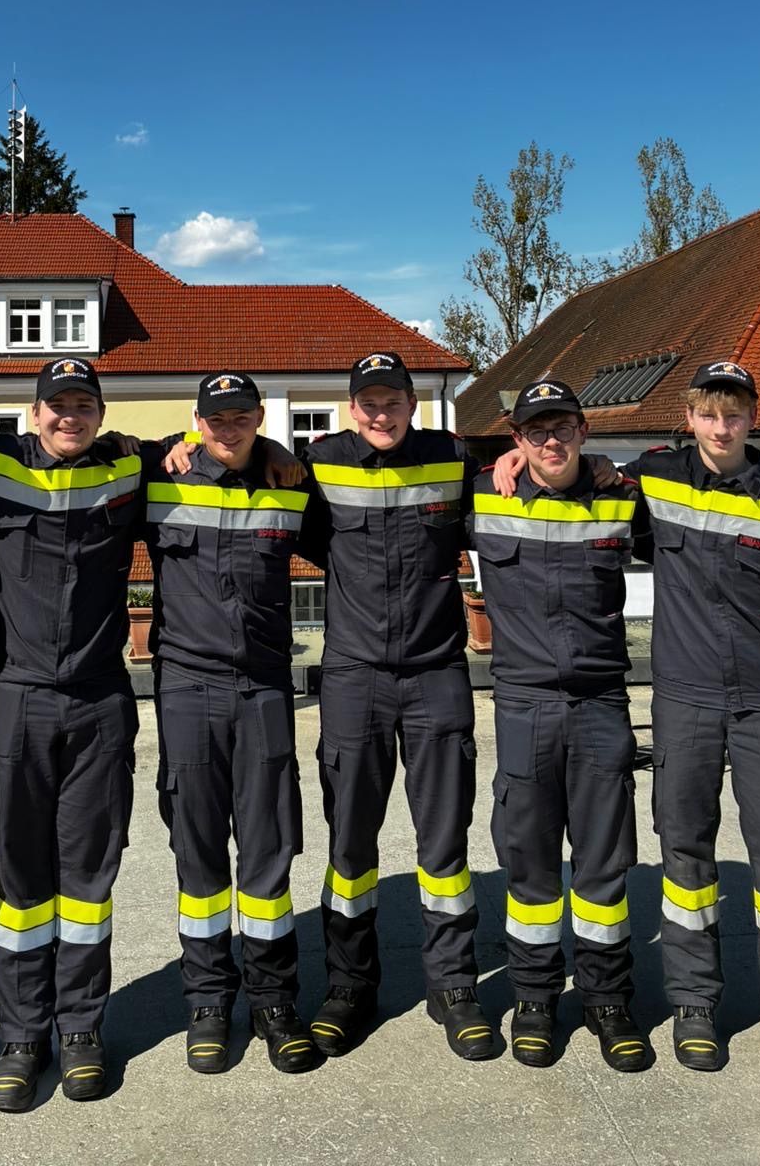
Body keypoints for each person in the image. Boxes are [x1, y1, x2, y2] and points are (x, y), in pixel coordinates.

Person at [0, 358, 301, 1110]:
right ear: (31, 413)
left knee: (88, 880)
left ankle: (79, 1030)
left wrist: (271, 449)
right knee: (22, 881)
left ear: (99, 415)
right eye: (56, 406)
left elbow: (210, 443)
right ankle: (19, 1035)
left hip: (101, 701)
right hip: (17, 701)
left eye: (83, 405)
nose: (69, 417)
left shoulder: (131, 464)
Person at [495, 361, 760, 1084]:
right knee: (685, 858)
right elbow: (582, 467)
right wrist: (514, 455)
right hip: (683, 699)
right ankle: (693, 1006)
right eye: (710, 414)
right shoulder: (654, 478)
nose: (722, 427)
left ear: (754, 419)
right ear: (688, 417)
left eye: (736, 414)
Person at [303, 352, 497, 1061]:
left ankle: (454, 987)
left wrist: (604, 472)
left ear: (414, 404)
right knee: (350, 847)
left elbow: (519, 487)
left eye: (394, 401)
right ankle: (350, 988)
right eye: (368, 403)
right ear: (351, 408)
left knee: (444, 843)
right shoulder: (321, 465)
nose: (380, 414)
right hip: (355, 675)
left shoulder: (453, 459)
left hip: (436, 670)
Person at [467, 378, 650, 1072]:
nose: (550, 440)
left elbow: (687, 470)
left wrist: (624, 470)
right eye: (535, 430)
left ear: (583, 431)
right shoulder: (484, 494)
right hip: (524, 706)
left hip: (602, 704)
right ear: (515, 439)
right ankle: (536, 1000)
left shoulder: (621, 496)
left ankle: (608, 1000)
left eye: (562, 427)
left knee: (604, 864)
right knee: (530, 865)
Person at [147, 372, 323, 1075]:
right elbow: (94, 452)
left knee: (269, 848)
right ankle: (209, 1001)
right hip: (187, 688)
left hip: (263, 689)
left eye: (243, 417)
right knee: (198, 855)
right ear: (196, 421)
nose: (229, 428)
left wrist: (283, 448)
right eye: (215, 419)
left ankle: (275, 1002)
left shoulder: (288, 481)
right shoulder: (161, 476)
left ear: (258, 419)